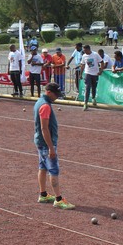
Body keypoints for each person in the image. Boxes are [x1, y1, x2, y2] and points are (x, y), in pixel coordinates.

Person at [33, 82, 74, 210]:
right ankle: (58, 199)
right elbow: (44, 128)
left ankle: (43, 194)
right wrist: (51, 147)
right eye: (55, 94)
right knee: (53, 170)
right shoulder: (45, 106)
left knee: (42, 167)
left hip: (40, 142)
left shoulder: (40, 101)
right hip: (46, 143)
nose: (56, 97)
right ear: (49, 92)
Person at [81, 44, 102, 110]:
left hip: (95, 73)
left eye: (85, 50)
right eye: (83, 50)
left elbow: (102, 62)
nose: (84, 52)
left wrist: (101, 70)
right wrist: (80, 74)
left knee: (94, 87)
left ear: (88, 49)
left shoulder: (95, 54)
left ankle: (93, 98)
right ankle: (85, 103)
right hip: (87, 73)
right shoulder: (84, 56)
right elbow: (82, 65)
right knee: (87, 87)